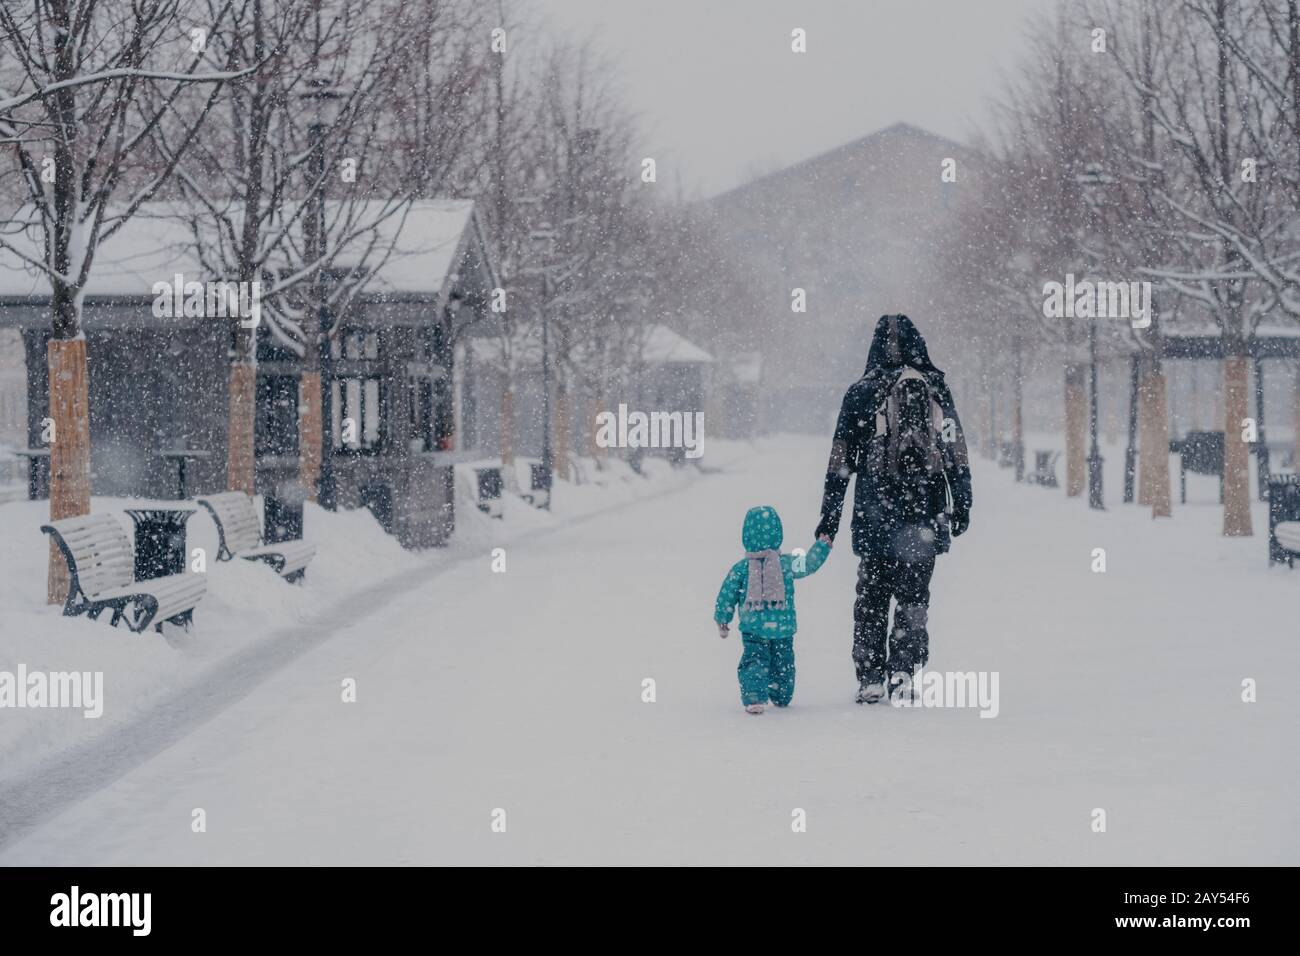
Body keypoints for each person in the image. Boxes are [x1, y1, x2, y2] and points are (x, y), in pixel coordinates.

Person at [814, 314, 972, 704]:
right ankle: (903, 673)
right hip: (925, 513)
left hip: (875, 516)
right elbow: (955, 450)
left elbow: (840, 462)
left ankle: (870, 677)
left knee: (871, 598)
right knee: (914, 599)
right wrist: (962, 500)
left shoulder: (860, 393)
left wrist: (829, 519)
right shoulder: (936, 388)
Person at [713, 505, 831, 714]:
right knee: (783, 664)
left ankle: (754, 698)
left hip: (753, 627)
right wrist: (821, 546)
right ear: (778, 533)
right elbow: (808, 564)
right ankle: (781, 693)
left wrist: (723, 618)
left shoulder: (742, 568)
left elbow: (727, 593)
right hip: (782, 627)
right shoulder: (785, 564)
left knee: (754, 662)